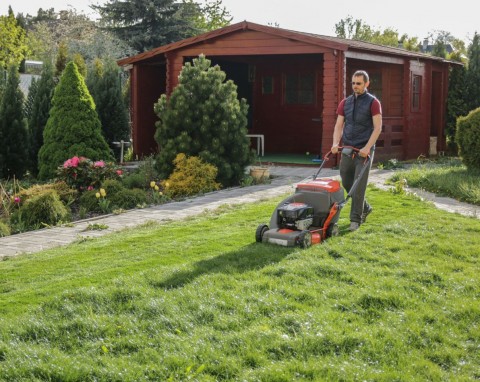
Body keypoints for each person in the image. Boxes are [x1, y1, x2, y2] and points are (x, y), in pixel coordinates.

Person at [331, 70, 382, 231]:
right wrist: (335, 143)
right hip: (348, 147)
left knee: (359, 185)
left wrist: (367, 147)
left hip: (364, 150)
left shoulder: (373, 103)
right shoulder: (345, 103)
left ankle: (355, 220)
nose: (355, 86)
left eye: (358, 83)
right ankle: (365, 207)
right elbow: (339, 125)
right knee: (346, 180)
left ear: (367, 84)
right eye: (353, 83)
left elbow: (378, 127)